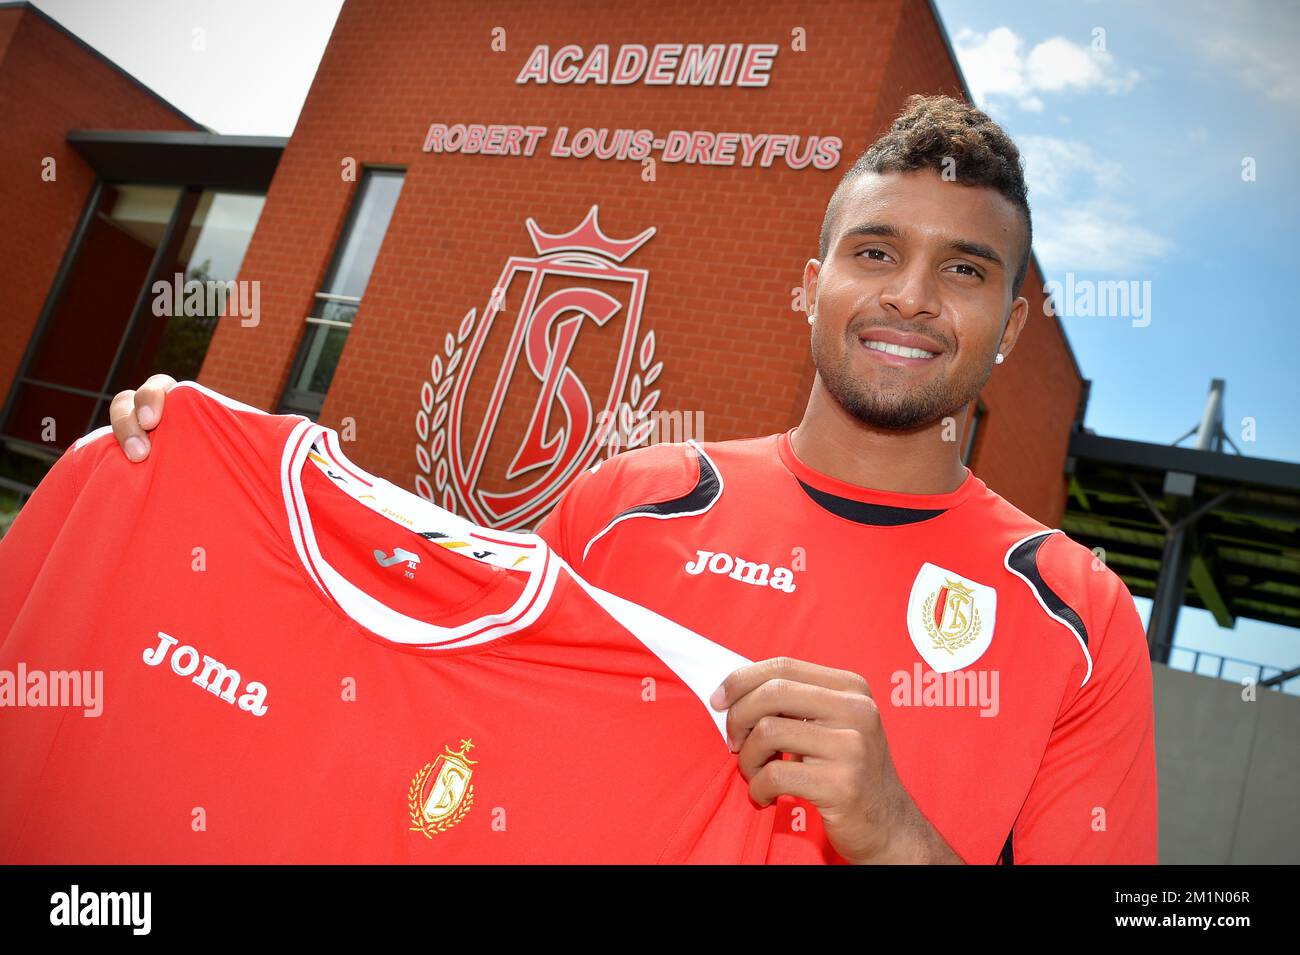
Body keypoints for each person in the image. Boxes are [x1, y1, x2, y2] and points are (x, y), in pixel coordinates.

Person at [105, 95, 1158, 865]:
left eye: (964, 270)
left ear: (1011, 326)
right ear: (811, 285)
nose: (912, 297)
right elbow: (434, 741)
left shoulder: (1080, 612)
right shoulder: (625, 506)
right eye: (874, 253)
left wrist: (894, 839)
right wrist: (182, 485)